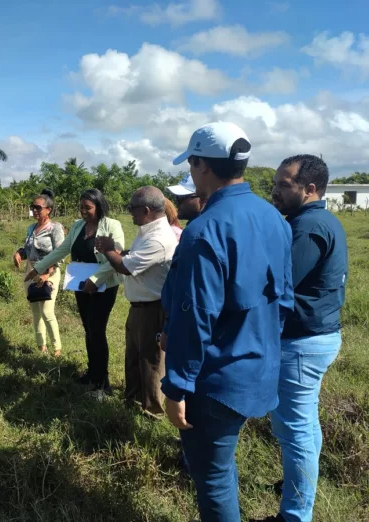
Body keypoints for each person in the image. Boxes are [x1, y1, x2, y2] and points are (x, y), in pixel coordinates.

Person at [161, 122, 294, 522]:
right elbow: (283, 299)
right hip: (259, 367)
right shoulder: (275, 219)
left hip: (215, 378)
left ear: (201, 164)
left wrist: (177, 386)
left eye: (192, 163)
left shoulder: (203, 231)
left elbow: (194, 315)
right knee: (223, 463)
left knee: (214, 478)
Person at [253, 156, 348, 522]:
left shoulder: (307, 228)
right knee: (304, 425)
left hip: (301, 344)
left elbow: (276, 285)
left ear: (310, 189)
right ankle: (299, 487)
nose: (275, 190)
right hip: (314, 338)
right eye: (275, 183)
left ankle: (294, 514)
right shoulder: (312, 221)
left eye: (283, 184)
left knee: (294, 430)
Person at [26, 188, 124, 394]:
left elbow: (116, 256)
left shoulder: (112, 225)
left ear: (99, 206)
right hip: (81, 286)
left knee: (97, 331)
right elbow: (63, 250)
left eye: (88, 207)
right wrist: (38, 267)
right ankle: (92, 372)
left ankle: (102, 382)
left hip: (103, 287)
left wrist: (95, 280)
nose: (83, 211)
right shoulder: (79, 226)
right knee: (89, 329)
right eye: (81, 207)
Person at [96, 187, 177, 415]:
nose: (129, 212)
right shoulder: (147, 230)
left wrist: (107, 249)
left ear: (147, 210)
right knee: (134, 357)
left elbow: (125, 266)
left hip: (153, 308)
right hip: (140, 306)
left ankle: (152, 411)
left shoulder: (159, 238)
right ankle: (132, 401)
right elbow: (132, 257)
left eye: (132, 208)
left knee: (151, 361)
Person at [13, 189, 65, 357]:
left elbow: (60, 254)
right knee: (35, 311)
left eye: (38, 208)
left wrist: (47, 274)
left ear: (48, 209)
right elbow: (28, 250)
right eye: (33, 207)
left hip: (49, 270)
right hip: (31, 271)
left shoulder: (55, 228)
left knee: (47, 311)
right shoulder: (31, 228)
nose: (34, 210)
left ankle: (57, 349)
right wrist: (19, 253)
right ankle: (41, 347)